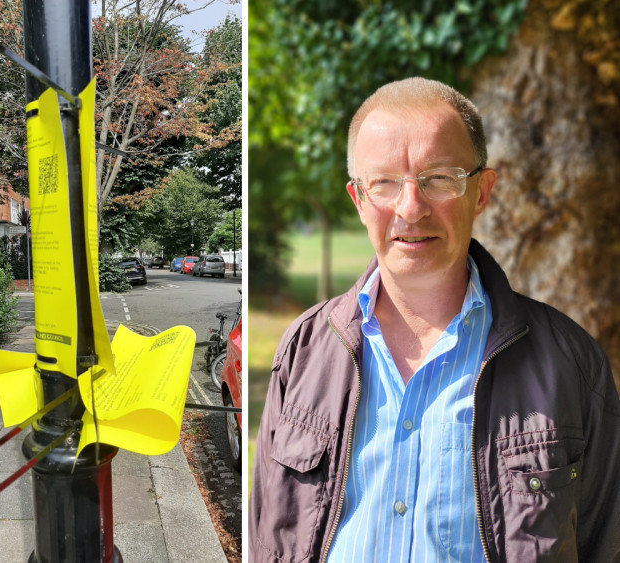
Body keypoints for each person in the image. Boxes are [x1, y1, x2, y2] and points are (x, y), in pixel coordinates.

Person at [249, 77, 620, 562]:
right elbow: (264, 536)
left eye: (440, 177)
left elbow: (605, 543)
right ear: (359, 200)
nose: (411, 208)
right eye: (384, 183)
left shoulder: (571, 364)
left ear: (482, 192)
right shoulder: (304, 348)